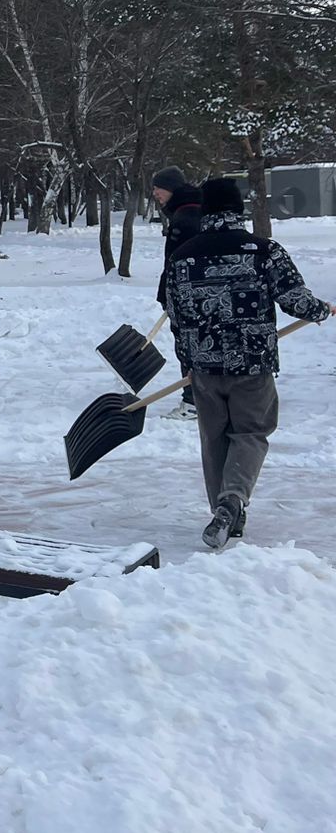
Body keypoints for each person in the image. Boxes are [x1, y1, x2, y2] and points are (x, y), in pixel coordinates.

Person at [165, 178, 333, 548]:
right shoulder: (263, 251)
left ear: (206, 211)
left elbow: (174, 316)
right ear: (237, 210)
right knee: (250, 433)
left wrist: (188, 362)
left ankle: (224, 512)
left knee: (213, 439)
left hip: (204, 366)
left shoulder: (182, 256)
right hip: (251, 362)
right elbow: (295, 300)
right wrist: (322, 309)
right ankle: (233, 500)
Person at [152, 166, 204, 417]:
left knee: (189, 346)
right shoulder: (190, 211)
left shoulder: (186, 218)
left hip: (189, 298)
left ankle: (193, 402)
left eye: (158, 188)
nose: (155, 193)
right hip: (191, 296)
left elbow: (178, 263)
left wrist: (169, 294)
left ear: (171, 188)